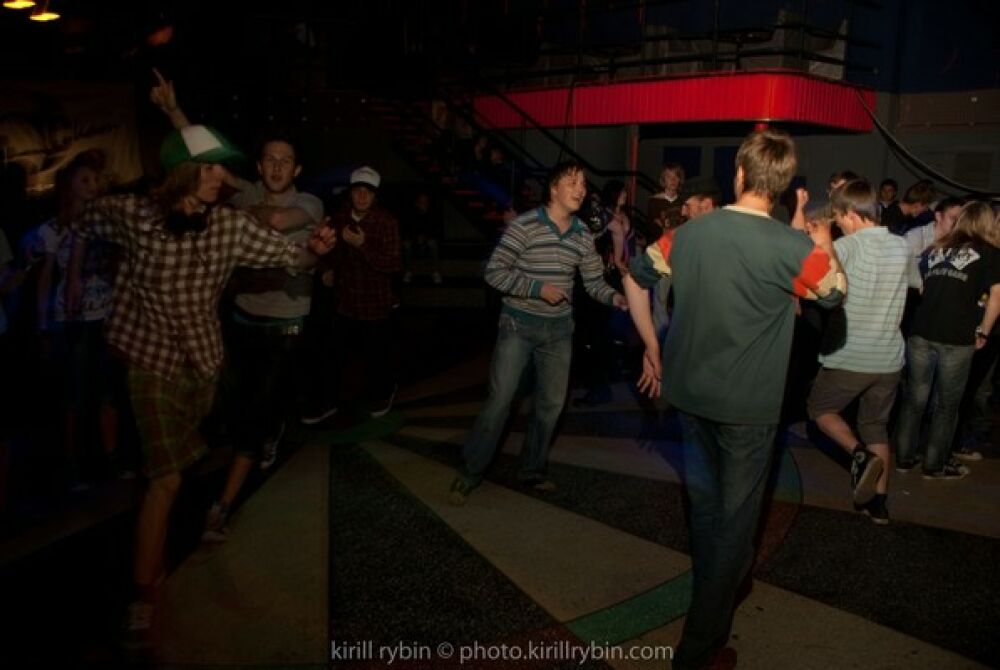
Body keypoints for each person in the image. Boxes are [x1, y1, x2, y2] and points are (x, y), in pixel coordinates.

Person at [69, 114, 336, 648]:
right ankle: (145, 592)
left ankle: (164, 501)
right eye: (211, 169)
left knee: (180, 465)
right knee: (166, 478)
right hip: (149, 359)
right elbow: (82, 218)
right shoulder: (134, 214)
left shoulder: (229, 226)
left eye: (222, 169)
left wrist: (318, 250)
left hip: (204, 364)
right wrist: (82, 219)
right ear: (183, 171)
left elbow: (294, 257)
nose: (222, 178)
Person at [624, 129, 845, 669]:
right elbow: (834, 293)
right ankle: (698, 649)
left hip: (690, 397)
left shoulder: (687, 234)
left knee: (706, 508)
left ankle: (719, 584)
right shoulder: (791, 247)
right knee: (736, 523)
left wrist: (651, 346)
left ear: (740, 174)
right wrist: (822, 241)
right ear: (781, 185)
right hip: (747, 409)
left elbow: (637, 275)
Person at [448, 161, 627, 505]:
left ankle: (531, 469)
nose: (581, 190)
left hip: (558, 331)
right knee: (500, 402)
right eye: (572, 183)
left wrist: (614, 296)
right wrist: (536, 288)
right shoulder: (525, 225)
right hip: (518, 325)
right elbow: (494, 272)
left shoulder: (581, 234)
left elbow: (593, 281)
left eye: (583, 184)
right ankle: (470, 471)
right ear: (554, 189)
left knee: (550, 406)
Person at [806, 179, 920, 525]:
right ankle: (879, 505)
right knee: (875, 427)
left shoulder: (847, 247)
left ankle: (859, 456)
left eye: (839, 217)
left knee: (820, 409)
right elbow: (917, 287)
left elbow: (822, 289)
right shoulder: (902, 246)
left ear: (852, 214)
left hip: (851, 355)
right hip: (889, 359)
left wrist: (822, 246)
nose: (838, 224)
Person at [894, 201, 1000, 479]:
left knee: (914, 400)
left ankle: (904, 459)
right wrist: (984, 330)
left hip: (921, 331)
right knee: (946, 405)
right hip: (956, 336)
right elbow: (997, 296)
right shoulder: (989, 253)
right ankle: (934, 465)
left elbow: (921, 286)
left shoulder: (936, 248)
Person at [301, 165, 401, 423]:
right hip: (345, 300)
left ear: (375, 195)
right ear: (350, 192)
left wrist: (362, 245)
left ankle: (383, 393)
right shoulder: (339, 218)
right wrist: (326, 269)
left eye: (368, 191)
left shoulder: (386, 221)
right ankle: (329, 401)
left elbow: (393, 264)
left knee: (376, 355)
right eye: (358, 190)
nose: (363, 196)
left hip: (376, 302)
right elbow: (328, 253)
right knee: (333, 354)